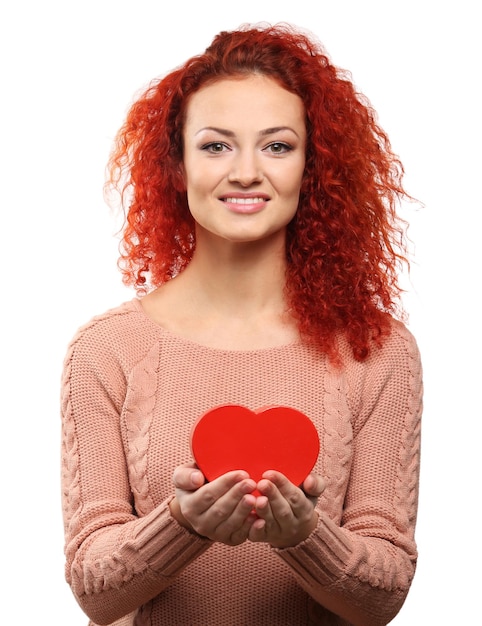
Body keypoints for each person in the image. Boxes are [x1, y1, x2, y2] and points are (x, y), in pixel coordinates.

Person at [60, 22, 423, 626]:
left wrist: (306, 537)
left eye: (277, 146)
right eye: (216, 145)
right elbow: (93, 592)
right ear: (176, 164)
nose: (247, 172)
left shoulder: (379, 351)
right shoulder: (107, 350)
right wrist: (180, 526)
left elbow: (383, 596)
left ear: (312, 167)